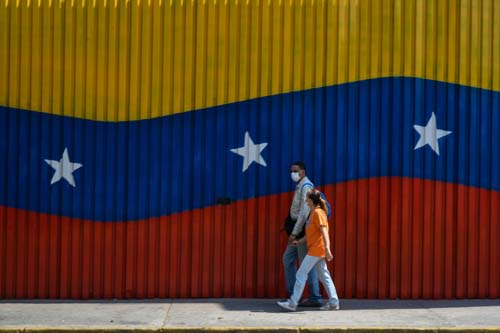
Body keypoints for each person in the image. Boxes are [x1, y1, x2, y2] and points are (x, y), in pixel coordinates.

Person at [278, 190, 340, 311]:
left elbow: (324, 232)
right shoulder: (313, 213)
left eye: (306, 198)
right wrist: (300, 241)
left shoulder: (318, 213)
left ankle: (292, 302)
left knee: (301, 273)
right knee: (324, 276)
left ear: (311, 200)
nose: (305, 200)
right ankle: (334, 302)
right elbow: (312, 232)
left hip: (317, 249)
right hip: (315, 249)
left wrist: (327, 249)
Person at [282, 161, 322, 307]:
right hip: (296, 230)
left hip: (300, 231)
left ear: (303, 172)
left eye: (296, 171)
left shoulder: (306, 187)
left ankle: (315, 297)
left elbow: (304, 214)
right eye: (291, 171)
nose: (293, 173)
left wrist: (294, 233)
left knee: (306, 264)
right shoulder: (299, 186)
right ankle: (294, 295)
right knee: (287, 259)